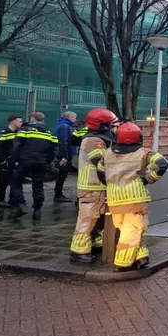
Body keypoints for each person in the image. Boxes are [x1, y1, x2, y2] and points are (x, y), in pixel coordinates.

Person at [96, 122, 168, 271]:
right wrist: (148, 178)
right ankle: (123, 263)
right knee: (132, 231)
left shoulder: (107, 153)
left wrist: (111, 184)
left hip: (114, 198)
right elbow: (162, 164)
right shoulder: (144, 152)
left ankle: (142, 257)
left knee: (128, 229)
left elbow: (101, 173)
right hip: (135, 198)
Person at [69, 108, 118, 263]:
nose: (113, 127)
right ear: (102, 125)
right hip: (91, 186)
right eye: (111, 124)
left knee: (100, 218)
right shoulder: (92, 141)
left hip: (99, 186)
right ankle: (79, 250)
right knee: (88, 218)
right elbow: (102, 162)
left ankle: (94, 241)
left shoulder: (101, 138)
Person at [9, 112, 57, 219]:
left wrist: (15, 159)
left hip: (25, 160)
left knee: (16, 182)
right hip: (41, 162)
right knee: (38, 185)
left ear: (32, 118)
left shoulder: (25, 129)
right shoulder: (49, 132)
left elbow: (16, 145)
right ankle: (37, 210)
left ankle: (21, 204)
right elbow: (54, 149)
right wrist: (47, 161)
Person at [0, 115, 23, 208]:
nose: (21, 123)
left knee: (15, 181)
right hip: (6, 161)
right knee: (3, 181)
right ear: (13, 122)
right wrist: (3, 161)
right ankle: (0, 200)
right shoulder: (3, 133)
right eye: (19, 121)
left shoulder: (19, 133)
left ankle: (13, 199)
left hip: (15, 161)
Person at [53, 111, 77, 203]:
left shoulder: (62, 125)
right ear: (70, 117)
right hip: (64, 155)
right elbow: (63, 142)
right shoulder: (65, 127)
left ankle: (58, 194)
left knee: (62, 175)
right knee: (62, 175)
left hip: (63, 154)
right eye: (75, 117)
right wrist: (65, 157)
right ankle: (58, 195)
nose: (75, 120)